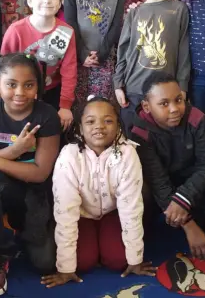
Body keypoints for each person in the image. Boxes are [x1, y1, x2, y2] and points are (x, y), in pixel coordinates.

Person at [0, 53, 60, 296]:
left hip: (33, 190)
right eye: (11, 84)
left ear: (38, 87)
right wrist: (15, 150)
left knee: (46, 263)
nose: (20, 92)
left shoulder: (46, 115)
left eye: (28, 85)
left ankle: (10, 221)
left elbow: (40, 173)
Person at [41, 96, 155, 288]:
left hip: (112, 213)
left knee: (119, 260)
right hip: (81, 216)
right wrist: (65, 267)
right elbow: (66, 213)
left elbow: (131, 209)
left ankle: (106, 239)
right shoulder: (69, 156)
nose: (99, 126)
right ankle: (91, 243)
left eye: (108, 121)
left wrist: (135, 258)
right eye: (90, 121)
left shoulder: (127, 153)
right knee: (82, 262)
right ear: (79, 127)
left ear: (118, 125)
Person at [127, 73, 205, 261]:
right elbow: (157, 181)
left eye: (179, 100)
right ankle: (166, 222)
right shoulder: (139, 133)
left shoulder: (197, 119)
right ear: (147, 107)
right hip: (160, 186)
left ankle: (186, 217)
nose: (175, 109)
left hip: (191, 181)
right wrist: (189, 226)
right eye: (164, 103)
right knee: (140, 192)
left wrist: (183, 199)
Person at [114, 0, 190, 117]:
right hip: (134, 89)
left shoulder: (179, 10)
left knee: (164, 139)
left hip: (167, 91)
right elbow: (123, 51)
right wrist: (118, 84)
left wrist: (182, 87)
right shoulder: (133, 13)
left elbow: (184, 52)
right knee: (135, 139)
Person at [1, 0, 77, 131]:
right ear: (29, 1)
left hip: (52, 92)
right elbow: (3, 68)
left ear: (60, 2)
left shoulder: (66, 31)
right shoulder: (16, 30)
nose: (47, 0)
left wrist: (65, 105)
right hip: (20, 93)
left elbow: (69, 72)